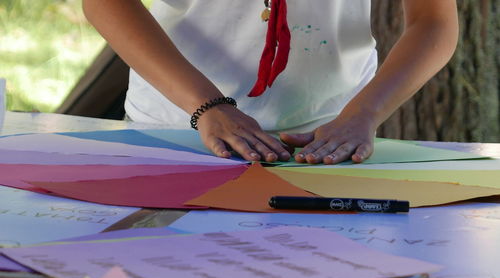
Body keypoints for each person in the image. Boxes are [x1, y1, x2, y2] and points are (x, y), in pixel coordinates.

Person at [82, 0, 458, 164]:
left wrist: (364, 113)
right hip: (177, 127)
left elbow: (434, 21)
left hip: (325, 142)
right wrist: (207, 104)